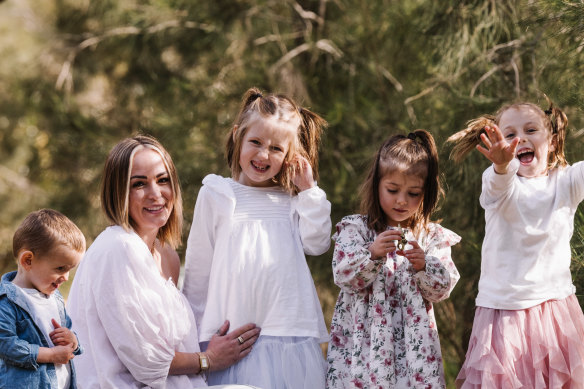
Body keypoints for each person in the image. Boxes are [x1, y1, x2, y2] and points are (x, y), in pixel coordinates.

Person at [67, 135, 260, 389]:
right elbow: (148, 362)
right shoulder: (118, 247)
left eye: (162, 180)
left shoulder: (165, 255)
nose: (155, 194)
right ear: (118, 192)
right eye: (139, 184)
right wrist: (209, 359)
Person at [182, 87, 331, 388]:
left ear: (291, 155)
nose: (264, 155)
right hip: (231, 340)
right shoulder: (217, 193)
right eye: (256, 142)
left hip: (287, 333)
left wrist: (309, 191)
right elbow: (198, 272)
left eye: (277, 149)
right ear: (238, 136)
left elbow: (317, 243)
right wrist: (195, 341)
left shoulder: (293, 199)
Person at [448, 99, 584, 387]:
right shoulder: (498, 181)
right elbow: (499, 182)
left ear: (554, 141)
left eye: (531, 129)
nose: (520, 138)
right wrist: (500, 163)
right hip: (504, 313)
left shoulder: (567, 181)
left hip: (555, 308)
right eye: (509, 134)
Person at [326, 130, 461, 389]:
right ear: (377, 182)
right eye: (393, 189)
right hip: (364, 350)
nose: (402, 200)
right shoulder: (356, 230)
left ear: (426, 193)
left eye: (413, 193)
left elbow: (442, 288)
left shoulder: (430, 236)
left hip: (414, 353)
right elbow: (343, 275)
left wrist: (424, 265)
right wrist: (372, 253)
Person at [0, 209, 86, 389]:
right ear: (28, 260)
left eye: (70, 269)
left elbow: (67, 331)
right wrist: (50, 355)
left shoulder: (54, 297)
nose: (66, 277)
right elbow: (6, 344)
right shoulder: (6, 301)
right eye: (61, 268)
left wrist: (73, 340)